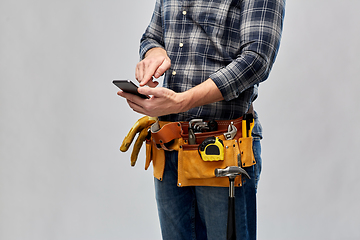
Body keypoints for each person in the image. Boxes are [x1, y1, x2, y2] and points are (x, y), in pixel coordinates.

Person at [118, 0, 285, 239]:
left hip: (223, 149)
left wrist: (182, 101)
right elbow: (152, 36)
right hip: (170, 147)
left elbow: (256, 60)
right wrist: (155, 54)